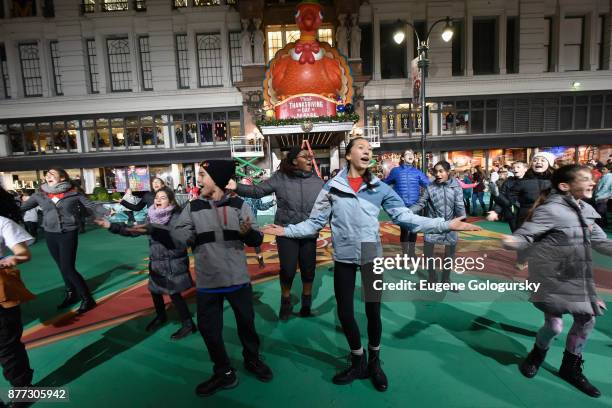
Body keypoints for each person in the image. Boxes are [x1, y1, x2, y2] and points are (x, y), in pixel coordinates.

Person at [262, 137, 480, 392]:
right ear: (348, 155)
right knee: (345, 313)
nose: (367, 151)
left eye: (370, 149)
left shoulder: (381, 189)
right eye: (361, 147)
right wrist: (286, 231)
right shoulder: (332, 187)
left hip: (371, 255)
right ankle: (357, 359)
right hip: (343, 256)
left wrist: (445, 224)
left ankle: (375, 361)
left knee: (373, 312)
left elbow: (406, 217)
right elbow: (314, 223)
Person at [133, 160, 273, 397]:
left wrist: (248, 233)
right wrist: (154, 230)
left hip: (237, 278)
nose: (198, 179)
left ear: (216, 178)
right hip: (208, 280)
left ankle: (252, 359)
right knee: (209, 330)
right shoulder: (192, 206)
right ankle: (223, 372)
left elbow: (256, 240)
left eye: (202, 175)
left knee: (246, 325)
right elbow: (181, 237)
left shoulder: (239, 204)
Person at [503, 164, 612, 398]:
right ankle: (537, 353)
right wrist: (514, 242)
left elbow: (601, 243)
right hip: (550, 276)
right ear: (565, 186)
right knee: (554, 326)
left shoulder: (587, 210)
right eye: (585, 179)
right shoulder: (550, 210)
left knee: (587, 320)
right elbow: (525, 234)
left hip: (578, 277)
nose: (593, 182)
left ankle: (570, 368)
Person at [227, 146, 323, 320]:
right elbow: (257, 191)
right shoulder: (280, 178)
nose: (310, 159)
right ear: (294, 160)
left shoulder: (318, 182)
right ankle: (285, 300)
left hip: (308, 233)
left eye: (311, 156)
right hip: (284, 231)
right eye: (305, 156)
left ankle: (306, 304)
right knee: (288, 269)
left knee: (309, 270)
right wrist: (236, 186)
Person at [95, 187, 195, 340]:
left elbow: (181, 240)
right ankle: (161, 316)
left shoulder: (177, 217)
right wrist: (111, 226)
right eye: (156, 198)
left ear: (171, 201)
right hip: (156, 261)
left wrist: (155, 230)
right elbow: (133, 230)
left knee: (174, 294)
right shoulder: (151, 216)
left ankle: (188, 324)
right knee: (155, 291)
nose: (158, 200)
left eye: (162, 198)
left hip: (172, 261)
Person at [19, 168, 107, 314]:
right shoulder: (40, 193)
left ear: (62, 178)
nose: (48, 176)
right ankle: (71, 294)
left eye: (52, 174)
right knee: (61, 266)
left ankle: (87, 299)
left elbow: (91, 205)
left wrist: (107, 211)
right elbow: (24, 207)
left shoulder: (73, 192)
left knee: (68, 267)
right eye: (47, 174)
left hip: (68, 232)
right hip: (50, 233)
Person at [410, 161, 465, 285]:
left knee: (449, 253)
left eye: (441, 171)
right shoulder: (430, 187)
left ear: (448, 172)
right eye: (436, 171)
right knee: (428, 252)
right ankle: (432, 278)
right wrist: (407, 212)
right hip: (433, 223)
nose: (438, 174)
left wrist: (462, 220)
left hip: (450, 224)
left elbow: (460, 205)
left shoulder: (455, 186)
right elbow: (421, 203)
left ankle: (446, 279)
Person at [384, 149, 430, 259]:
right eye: (407, 154)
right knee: (404, 230)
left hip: (415, 206)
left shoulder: (418, 172)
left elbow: (429, 185)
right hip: (401, 206)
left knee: (414, 229)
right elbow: (385, 183)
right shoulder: (396, 171)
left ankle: (412, 253)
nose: (411, 155)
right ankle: (405, 254)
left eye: (412, 154)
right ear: (403, 158)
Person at [237, 178, 276, 269]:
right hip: (250, 224)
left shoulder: (238, 196)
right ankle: (260, 261)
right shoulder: (254, 195)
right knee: (256, 243)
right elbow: (261, 207)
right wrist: (272, 203)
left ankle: (244, 263)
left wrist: (272, 203)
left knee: (241, 244)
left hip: (242, 224)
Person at [488, 161, 528, 232]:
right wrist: (496, 211)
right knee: (515, 233)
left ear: (525, 169)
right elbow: (502, 197)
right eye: (513, 167)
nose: (515, 169)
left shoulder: (531, 181)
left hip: (527, 213)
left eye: (518, 167)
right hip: (512, 213)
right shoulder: (508, 182)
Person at [593, 163, 611, 229]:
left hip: (602, 196)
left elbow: (605, 187)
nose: (602, 170)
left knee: (600, 211)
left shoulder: (608, 177)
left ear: (609, 170)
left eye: (604, 169)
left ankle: (602, 225)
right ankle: (603, 224)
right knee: (601, 212)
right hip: (601, 196)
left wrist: (598, 195)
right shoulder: (605, 176)